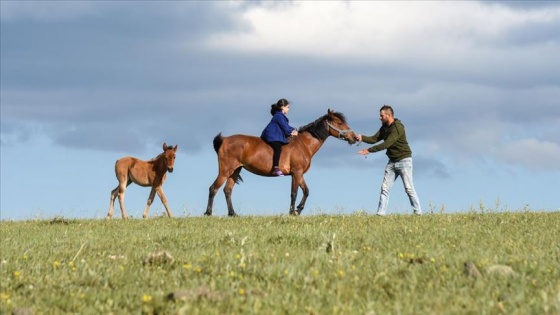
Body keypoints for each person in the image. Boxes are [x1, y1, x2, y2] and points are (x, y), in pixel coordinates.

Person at [356, 105, 422, 215]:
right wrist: (362, 137)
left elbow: (387, 144)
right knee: (384, 188)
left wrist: (369, 150)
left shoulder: (398, 127)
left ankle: (418, 212)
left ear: (389, 115)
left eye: (381, 115)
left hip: (404, 161)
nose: (380, 118)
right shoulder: (384, 127)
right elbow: (374, 139)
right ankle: (380, 214)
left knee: (409, 189)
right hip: (392, 161)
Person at [261, 98, 298, 176]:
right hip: (272, 136)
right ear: (282, 107)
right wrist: (292, 132)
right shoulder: (279, 116)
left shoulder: (280, 116)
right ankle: (276, 168)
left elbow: (287, 126)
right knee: (278, 148)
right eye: (288, 107)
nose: (288, 109)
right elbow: (286, 128)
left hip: (275, 135)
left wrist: (294, 130)